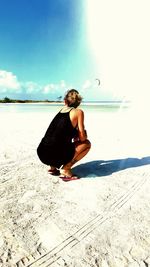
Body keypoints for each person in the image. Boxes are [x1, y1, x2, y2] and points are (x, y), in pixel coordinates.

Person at [37, 89, 91, 181]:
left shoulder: (61, 110)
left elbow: (58, 132)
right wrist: (83, 133)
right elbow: (82, 138)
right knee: (86, 144)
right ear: (78, 102)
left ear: (65, 101)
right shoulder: (78, 112)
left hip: (42, 152)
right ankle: (66, 169)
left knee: (54, 141)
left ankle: (53, 168)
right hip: (54, 154)